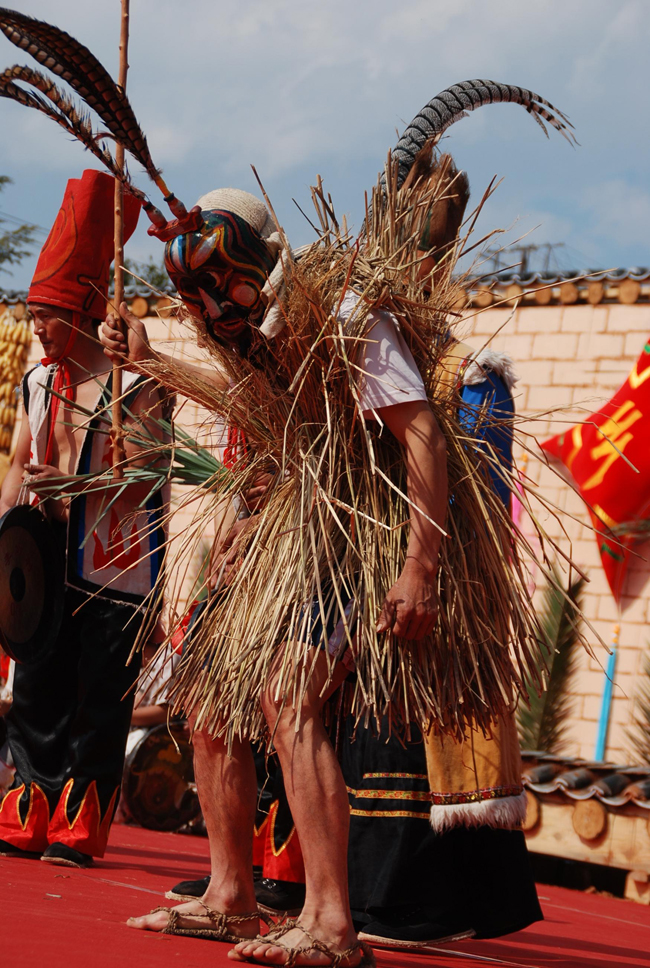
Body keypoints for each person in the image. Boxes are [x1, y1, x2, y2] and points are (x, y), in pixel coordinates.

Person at [0, 169, 168, 868]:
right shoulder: (38, 381)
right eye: (33, 313)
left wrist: (80, 483)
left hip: (115, 565)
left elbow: (154, 474)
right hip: (44, 561)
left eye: (48, 314)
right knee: (37, 689)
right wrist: (4, 531)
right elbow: (15, 462)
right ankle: (28, 813)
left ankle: (79, 824)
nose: (36, 327)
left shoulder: (136, 383)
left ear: (86, 310)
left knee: (100, 698)